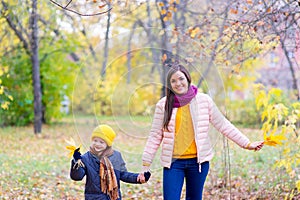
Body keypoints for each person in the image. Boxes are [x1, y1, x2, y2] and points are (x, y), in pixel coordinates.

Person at [137, 63, 264, 200]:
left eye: (181, 79)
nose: (178, 83)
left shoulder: (204, 101)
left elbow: (223, 125)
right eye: (173, 81)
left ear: (188, 79)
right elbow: (155, 136)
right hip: (173, 163)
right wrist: (145, 165)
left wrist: (247, 143)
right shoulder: (163, 104)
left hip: (198, 164)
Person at [70, 124, 151, 200]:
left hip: (113, 197)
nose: (97, 144)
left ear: (108, 144)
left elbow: (123, 174)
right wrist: (76, 161)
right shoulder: (86, 158)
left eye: (101, 142)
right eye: (95, 140)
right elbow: (77, 177)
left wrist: (138, 178)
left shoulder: (116, 156)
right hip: (94, 197)